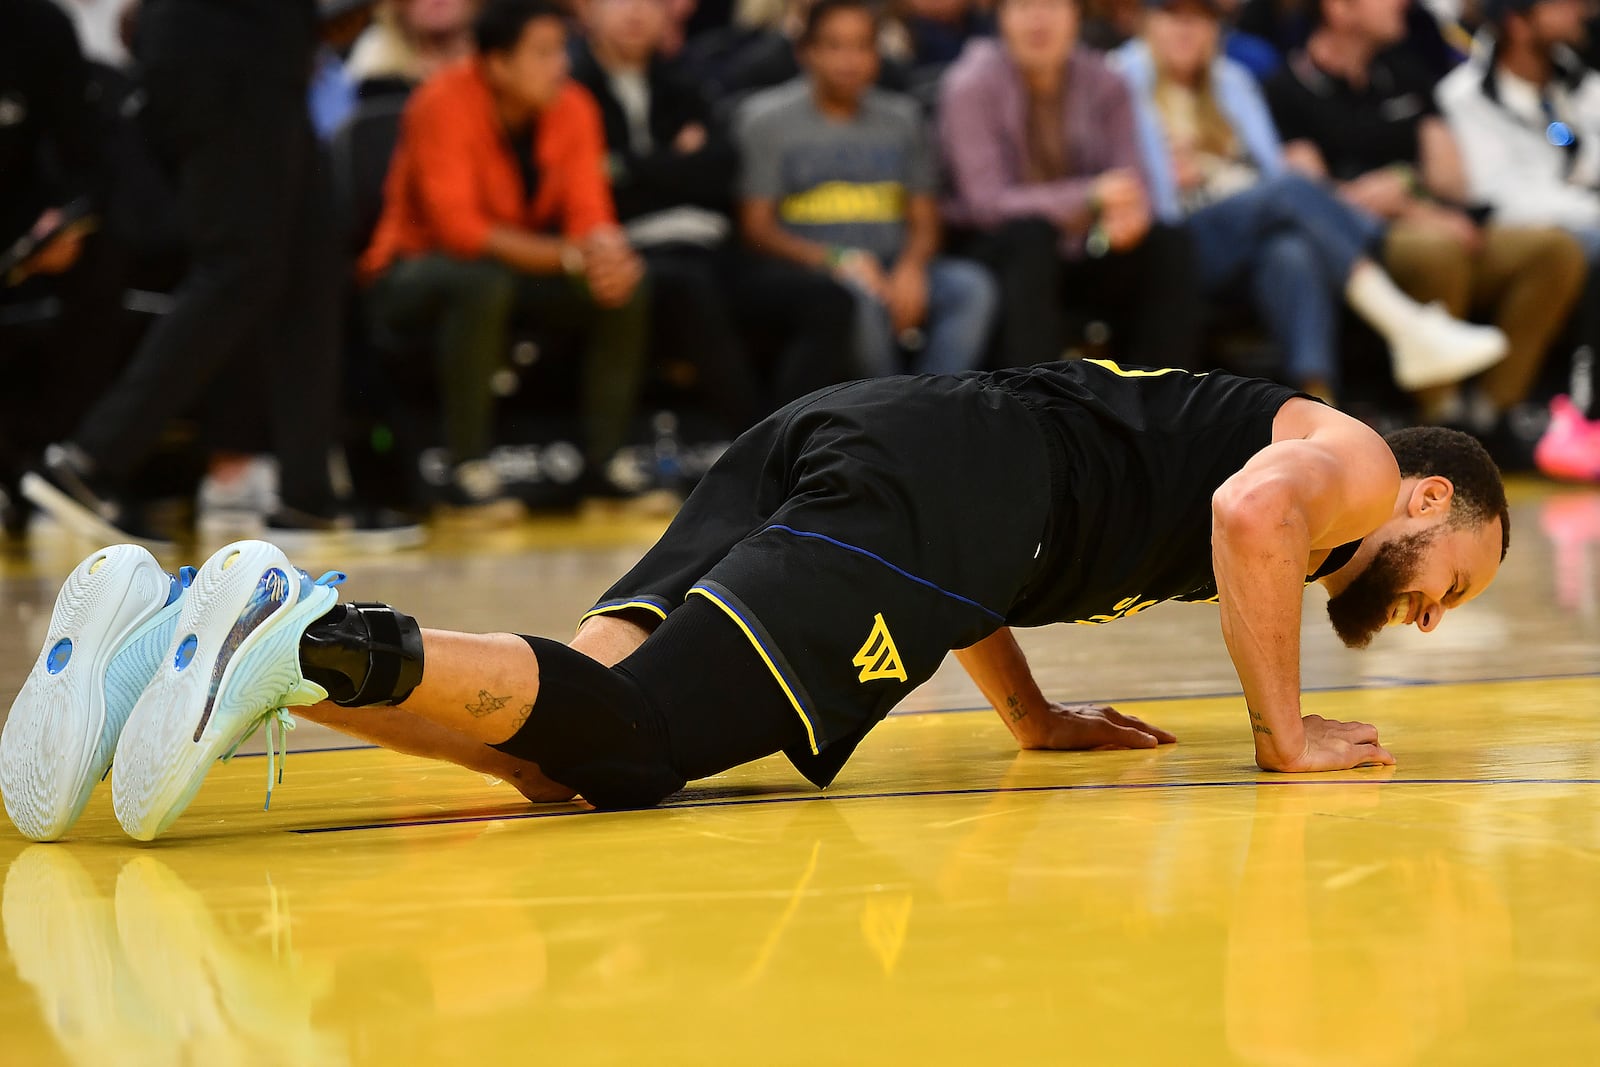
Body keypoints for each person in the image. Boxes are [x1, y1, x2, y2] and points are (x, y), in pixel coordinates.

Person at [2, 360, 1510, 841]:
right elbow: (1248, 515)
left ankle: (190, 646)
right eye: (1461, 575)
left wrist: (1031, 707)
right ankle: (306, 627)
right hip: (953, 482)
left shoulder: (1265, 448)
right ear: (1432, 499)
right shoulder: (1358, 467)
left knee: (571, 738)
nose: (1436, 606)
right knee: (645, 752)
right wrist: (1283, 731)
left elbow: (990, 569)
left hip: (884, 436)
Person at [20, 0, 420, 550]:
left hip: (263, 51)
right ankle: (87, 463)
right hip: (224, 56)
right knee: (239, 266)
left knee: (312, 266)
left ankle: (309, 494)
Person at [1116, 0, 1510, 401]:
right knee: (1293, 188)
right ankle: (1403, 321)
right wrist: (1162, 174)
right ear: (1147, 23)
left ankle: (1317, 401)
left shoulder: (1232, 81)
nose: (1186, 30)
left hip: (1248, 221)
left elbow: (1269, 168)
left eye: (1200, 19)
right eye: (1173, 16)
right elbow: (1114, 178)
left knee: (1290, 253)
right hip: (1173, 236)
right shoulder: (1120, 79)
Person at [360, 0, 652, 515]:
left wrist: (608, 254)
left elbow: (590, 210)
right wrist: (571, 256)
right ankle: (465, 469)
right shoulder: (440, 101)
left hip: (517, 267)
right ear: (496, 63)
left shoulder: (575, 105)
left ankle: (606, 466)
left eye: (562, 49)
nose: (560, 64)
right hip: (411, 273)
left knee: (626, 287)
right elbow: (460, 231)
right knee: (480, 282)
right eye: (543, 53)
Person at [1263, 0, 1585, 461]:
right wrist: (1407, 204)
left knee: (1554, 249)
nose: (1401, 4)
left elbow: (1450, 177)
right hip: (1368, 238)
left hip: (1441, 217)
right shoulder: (1287, 86)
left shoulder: (1405, 75)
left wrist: (1406, 186)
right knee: (1436, 251)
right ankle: (1441, 417)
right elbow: (1307, 194)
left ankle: (1495, 410)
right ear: (1340, 9)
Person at [571, 0, 856, 431]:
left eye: (651, 3)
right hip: (631, 252)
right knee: (691, 288)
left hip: (712, 246)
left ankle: (793, 432)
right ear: (588, 10)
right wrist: (676, 161)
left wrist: (631, 166)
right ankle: (756, 439)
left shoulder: (688, 81)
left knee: (830, 298)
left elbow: (722, 169)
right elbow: (589, 185)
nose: (636, 13)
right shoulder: (572, 89)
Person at [736, 0, 997, 378]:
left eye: (863, 46)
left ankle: (934, 403)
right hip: (819, 272)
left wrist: (912, 267)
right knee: (857, 297)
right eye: (834, 45)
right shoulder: (765, 121)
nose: (850, 60)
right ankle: (889, 413)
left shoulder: (903, 118)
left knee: (972, 287)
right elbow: (756, 228)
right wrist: (837, 259)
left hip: (894, 261)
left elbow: (924, 216)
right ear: (805, 51)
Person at [939, 0, 1205, 370]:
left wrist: (1127, 214)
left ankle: (1158, 405)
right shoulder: (969, 84)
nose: (1038, 20)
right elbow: (985, 203)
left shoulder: (1107, 80)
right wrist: (1088, 195)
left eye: (1051, 6)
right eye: (1023, 8)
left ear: (1076, 15)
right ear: (1000, 19)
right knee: (1031, 236)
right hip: (995, 248)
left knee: (1168, 243)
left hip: (1082, 244)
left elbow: (1129, 180)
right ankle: (1035, 408)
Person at [1434, 0, 1600, 481]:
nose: (1579, 12)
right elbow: (1500, 196)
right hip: (1502, 235)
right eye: (1559, 5)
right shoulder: (1464, 95)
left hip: (1576, 220)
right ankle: (1582, 417)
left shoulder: (1584, 86)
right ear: (1517, 21)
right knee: (1585, 248)